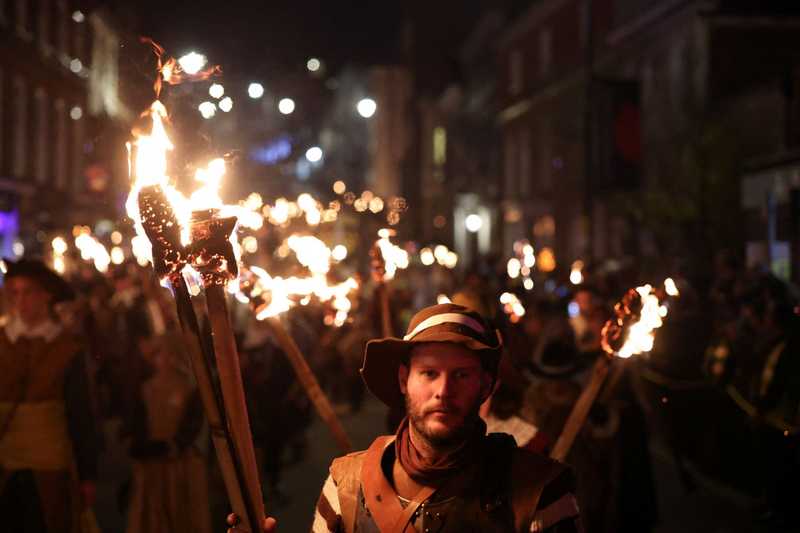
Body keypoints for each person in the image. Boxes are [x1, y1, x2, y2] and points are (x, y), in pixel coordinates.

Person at [312, 303, 582, 533]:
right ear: (404, 380)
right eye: (429, 373)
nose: (443, 391)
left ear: (485, 385)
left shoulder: (541, 492)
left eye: (461, 375)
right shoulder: (345, 485)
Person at [0, 258, 97, 533]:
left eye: (28, 291)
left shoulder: (67, 348)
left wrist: (87, 474)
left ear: (46, 294)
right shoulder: (2, 341)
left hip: (50, 466)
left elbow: (81, 413)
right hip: (4, 466)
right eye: (15, 292)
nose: (21, 300)